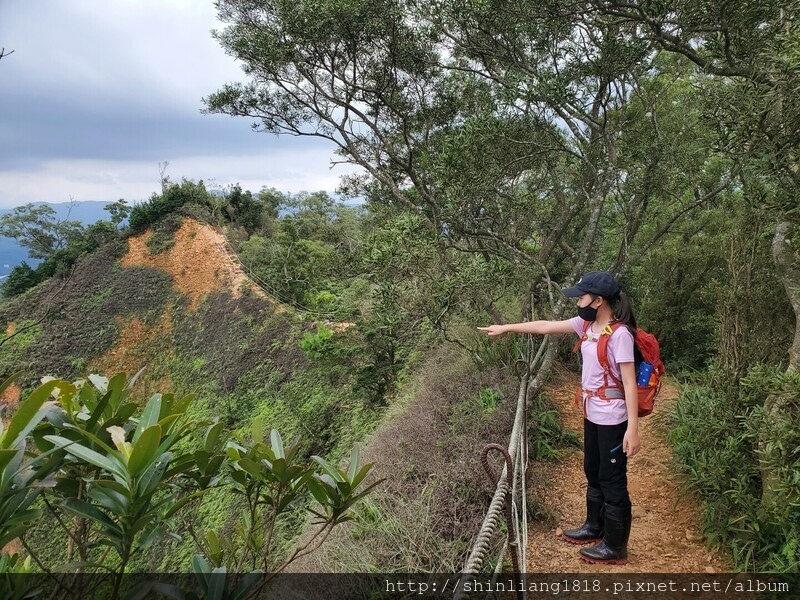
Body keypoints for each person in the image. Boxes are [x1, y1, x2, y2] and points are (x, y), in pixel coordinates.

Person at [477, 271, 639, 565]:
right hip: (592, 413)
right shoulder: (586, 325)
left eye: (582, 297)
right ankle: (594, 527)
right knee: (593, 469)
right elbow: (545, 326)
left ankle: (616, 546)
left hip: (614, 418)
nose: (579, 302)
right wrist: (507, 327)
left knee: (612, 478)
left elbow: (629, 382)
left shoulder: (620, 335)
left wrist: (633, 429)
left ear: (599, 300)